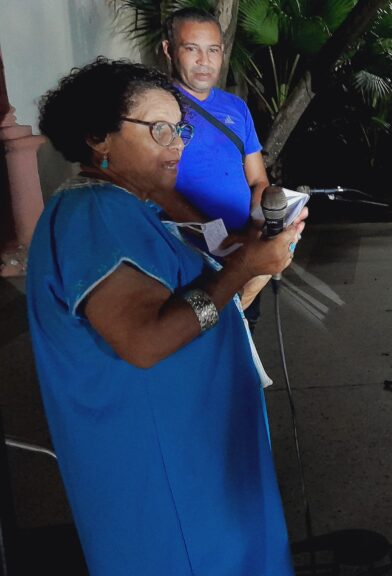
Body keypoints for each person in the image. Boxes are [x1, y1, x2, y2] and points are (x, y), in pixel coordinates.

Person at [27, 58, 303, 575]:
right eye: (158, 130)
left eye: (179, 129)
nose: (177, 144)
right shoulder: (94, 214)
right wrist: (243, 262)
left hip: (195, 448)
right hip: (163, 464)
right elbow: (146, 341)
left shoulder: (135, 210)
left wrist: (265, 260)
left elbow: (215, 311)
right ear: (97, 136)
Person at [162, 7, 272, 327]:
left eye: (213, 50)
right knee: (194, 337)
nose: (204, 61)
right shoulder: (156, 107)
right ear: (169, 50)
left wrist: (259, 228)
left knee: (243, 338)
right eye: (191, 49)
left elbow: (258, 179)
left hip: (243, 249)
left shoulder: (235, 107)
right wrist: (218, 240)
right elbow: (154, 190)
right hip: (190, 257)